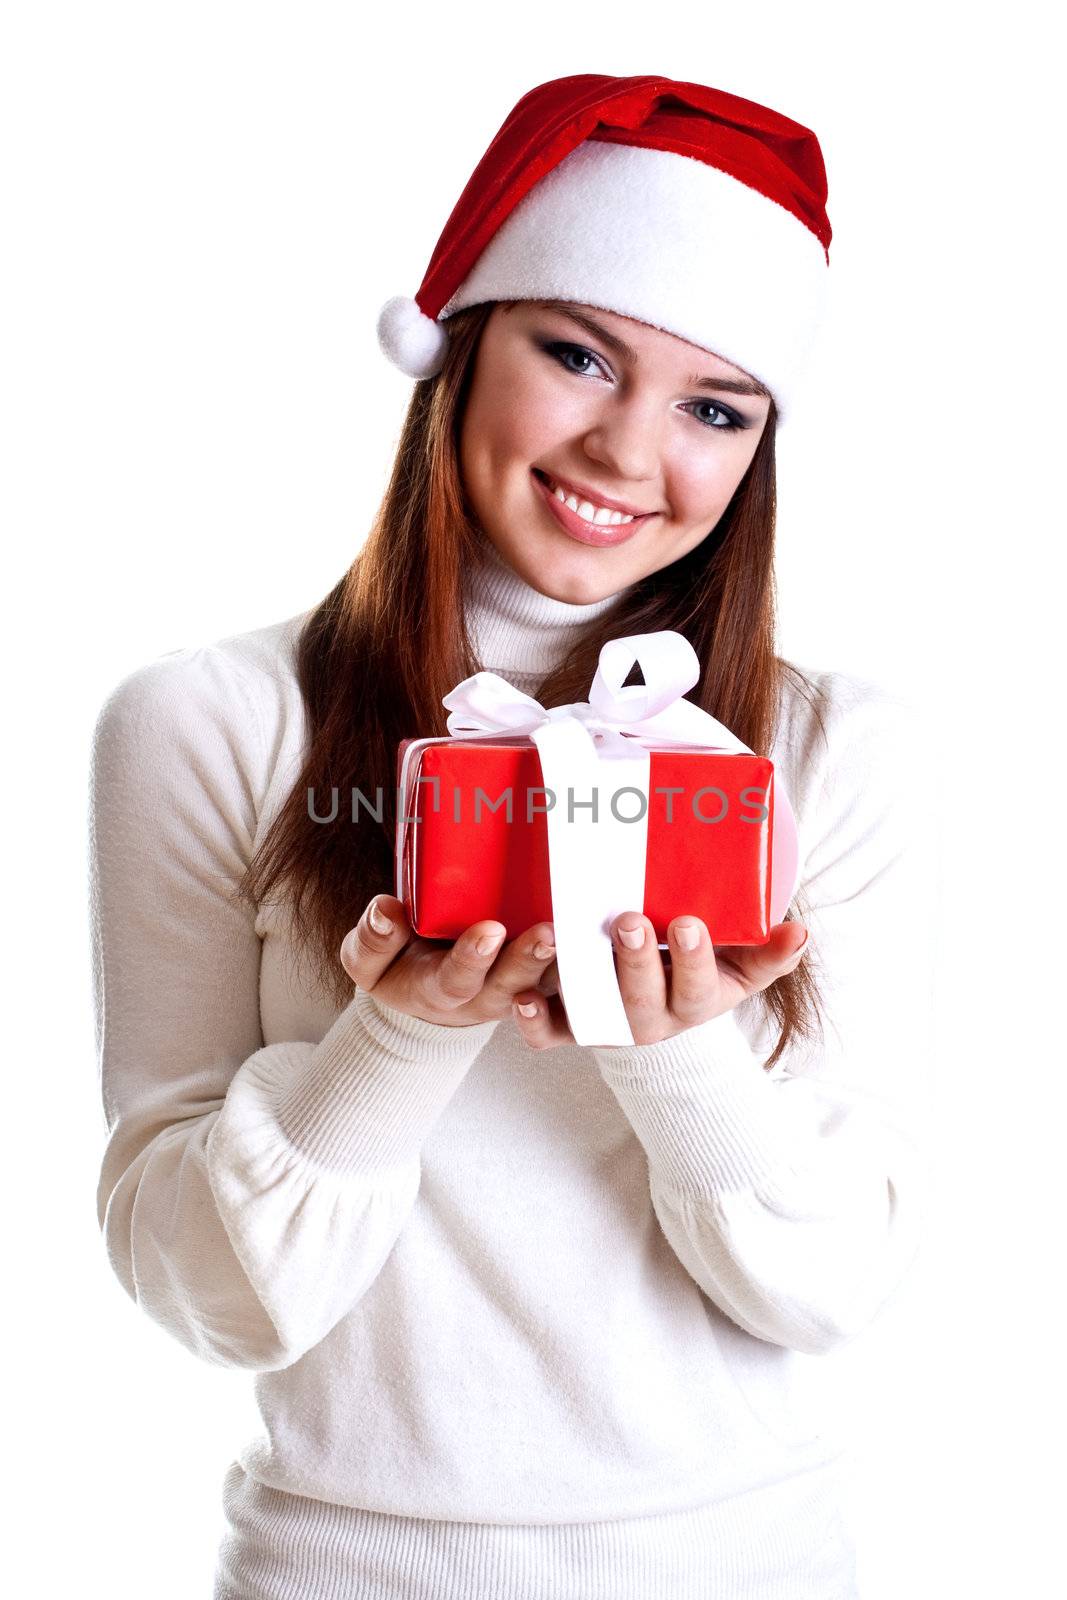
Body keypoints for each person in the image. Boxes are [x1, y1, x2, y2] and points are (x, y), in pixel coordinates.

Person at [89, 73, 934, 1600]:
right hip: (341, 1568)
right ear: (462, 352)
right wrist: (393, 1038)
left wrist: (677, 1050)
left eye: (714, 406)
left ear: (760, 450)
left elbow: (836, 1287)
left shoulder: (822, 749)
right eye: (578, 353)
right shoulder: (211, 723)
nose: (626, 449)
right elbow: (202, 1292)